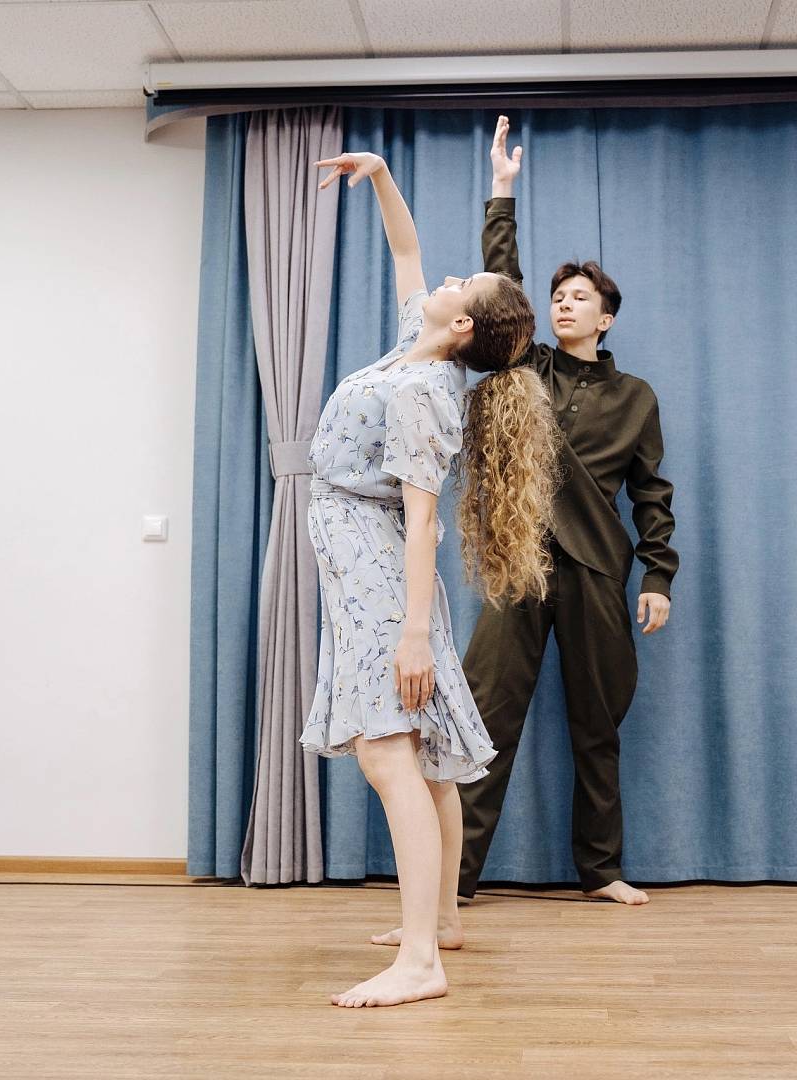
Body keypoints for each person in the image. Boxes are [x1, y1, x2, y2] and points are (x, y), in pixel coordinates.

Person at [300, 149, 560, 1007]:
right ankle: (441, 920)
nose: (448, 277)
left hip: (382, 575)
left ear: (462, 327)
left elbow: (422, 520)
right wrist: (380, 176)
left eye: (464, 284)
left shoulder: (423, 391)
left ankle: (419, 962)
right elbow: (407, 251)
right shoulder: (421, 345)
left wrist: (413, 632)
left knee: (390, 753)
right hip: (364, 563)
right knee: (434, 765)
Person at [457, 115, 680, 906]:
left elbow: (652, 493)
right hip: (521, 565)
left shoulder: (635, 397)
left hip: (596, 574)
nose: (563, 306)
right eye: (557, 298)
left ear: (606, 316)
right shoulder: (529, 367)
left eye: (579, 298)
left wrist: (658, 577)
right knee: (484, 720)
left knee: (597, 726)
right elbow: (501, 288)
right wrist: (502, 192)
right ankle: (453, 881)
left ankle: (602, 871)